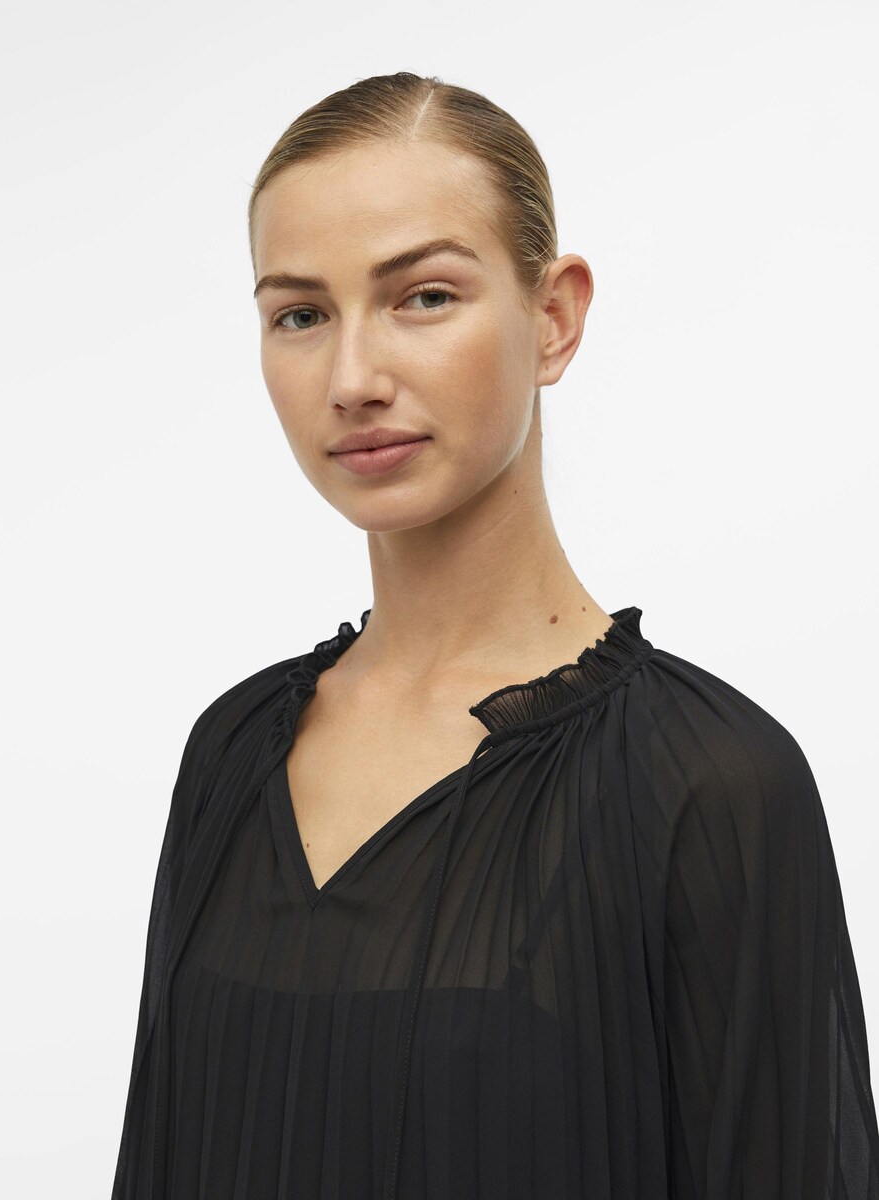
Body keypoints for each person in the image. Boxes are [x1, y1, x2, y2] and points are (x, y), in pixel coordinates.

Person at [111, 72, 879, 1199]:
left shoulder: (712, 783)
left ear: (553, 317)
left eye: (423, 297)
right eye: (301, 315)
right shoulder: (229, 751)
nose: (353, 380)